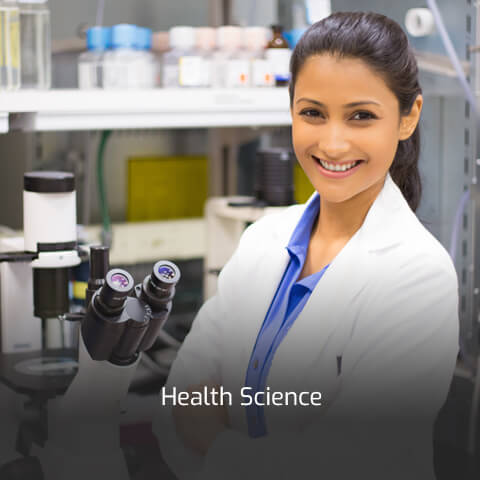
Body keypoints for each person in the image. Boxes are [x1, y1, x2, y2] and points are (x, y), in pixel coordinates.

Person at [153, 12, 459, 480]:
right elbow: (180, 402)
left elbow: (353, 462)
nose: (333, 144)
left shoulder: (419, 277)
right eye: (312, 113)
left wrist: (213, 442)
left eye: (361, 116)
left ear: (407, 117)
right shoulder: (263, 240)